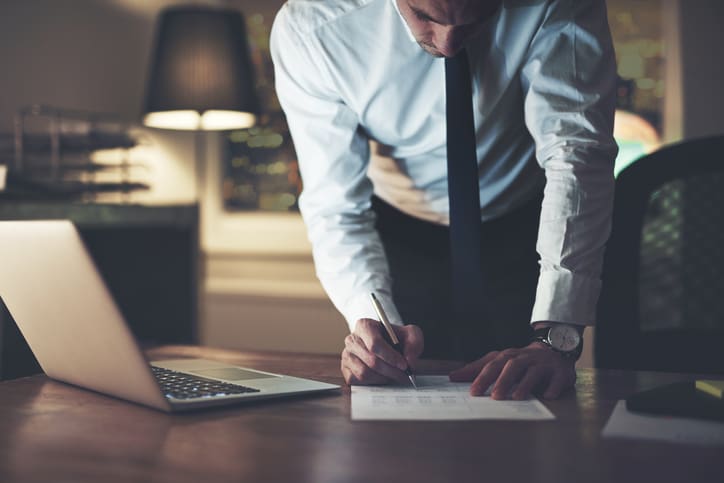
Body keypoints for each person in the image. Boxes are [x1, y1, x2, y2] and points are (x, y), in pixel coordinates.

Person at [270, 0, 618, 400]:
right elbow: (335, 203)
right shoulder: (315, 28)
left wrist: (558, 336)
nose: (449, 45)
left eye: (479, 19)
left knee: (528, 404)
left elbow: (576, 155)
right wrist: (367, 317)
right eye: (424, 16)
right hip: (400, 230)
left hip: (528, 225)